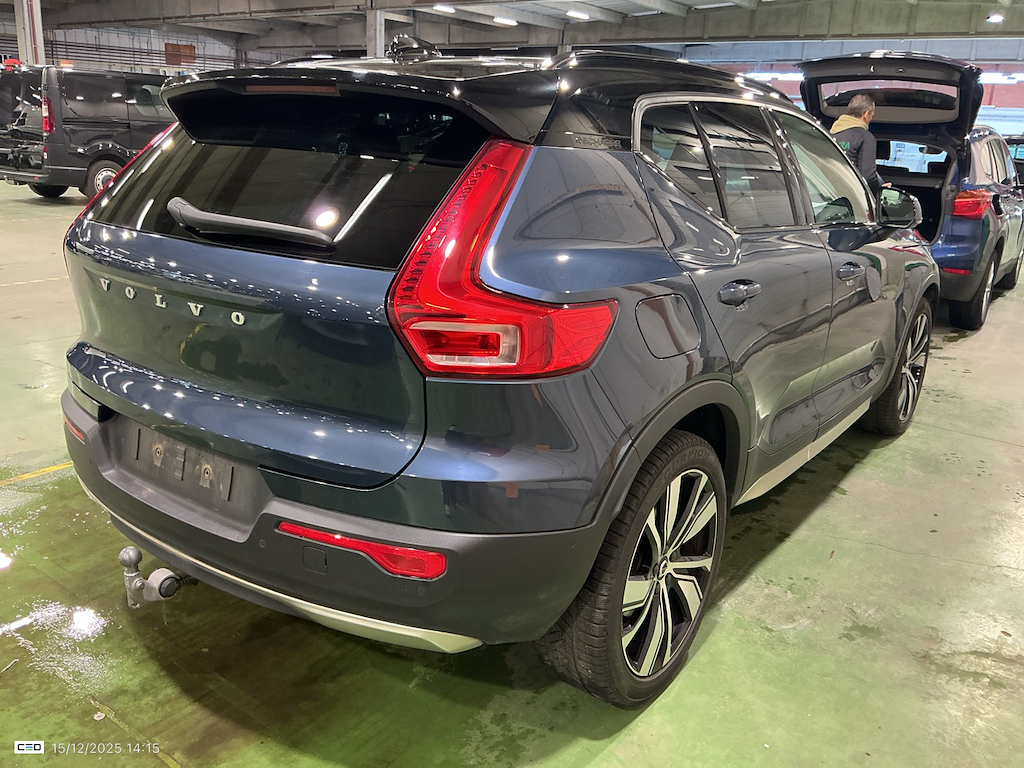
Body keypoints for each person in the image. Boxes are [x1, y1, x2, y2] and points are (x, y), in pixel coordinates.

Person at [830, 94, 885, 194]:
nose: (871, 119)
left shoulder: (830, 133)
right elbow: (868, 176)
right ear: (866, 115)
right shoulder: (865, 137)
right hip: (850, 194)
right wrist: (881, 190)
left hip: (828, 190)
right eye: (871, 116)